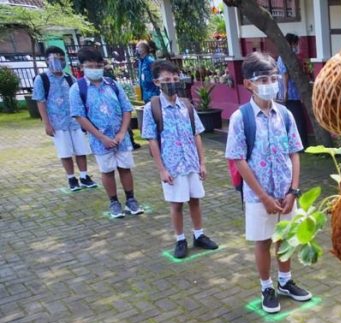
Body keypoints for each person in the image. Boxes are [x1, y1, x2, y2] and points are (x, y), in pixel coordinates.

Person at [225, 51, 312, 314]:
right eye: (263, 79)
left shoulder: (285, 115)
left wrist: (294, 191)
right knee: (263, 241)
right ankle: (266, 286)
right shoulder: (241, 118)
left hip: (286, 194)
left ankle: (285, 281)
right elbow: (239, 160)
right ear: (248, 84)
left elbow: (294, 153)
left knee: (285, 238)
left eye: (273, 78)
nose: (270, 84)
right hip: (258, 197)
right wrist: (263, 197)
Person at [142, 60, 219, 258]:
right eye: (167, 79)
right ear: (157, 82)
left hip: (191, 162)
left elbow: (196, 135)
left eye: (175, 79)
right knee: (176, 204)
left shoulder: (186, 105)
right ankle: (180, 239)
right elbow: (152, 141)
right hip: (172, 165)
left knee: (195, 200)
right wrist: (162, 169)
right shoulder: (152, 108)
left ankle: (199, 234)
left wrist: (202, 162)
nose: (172, 83)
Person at [70, 45, 144, 219]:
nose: (95, 69)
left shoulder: (112, 84)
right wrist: (101, 137)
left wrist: (121, 133)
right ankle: (114, 202)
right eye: (90, 66)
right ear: (82, 67)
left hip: (121, 137)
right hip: (99, 140)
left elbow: (126, 109)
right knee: (107, 171)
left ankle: (131, 199)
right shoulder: (77, 89)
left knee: (125, 168)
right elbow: (79, 116)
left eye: (98, 65)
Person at [32, 46, 97, 192]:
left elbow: (78, 98)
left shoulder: (69, 78)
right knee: (65, 152)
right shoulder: (41, 79)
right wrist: (47, 123)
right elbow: (40, 101)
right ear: (47, 61)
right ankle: (71, 178)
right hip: (57, 123)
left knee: (81, 150)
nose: (58, 62)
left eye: (61, 59)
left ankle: (84, 176)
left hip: (74, 121)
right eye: (54, 59)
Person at [276, 33, 308, 148]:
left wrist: (285, 91)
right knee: (297, 118)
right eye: (295, 43)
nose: (297, 46)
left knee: (296, 118)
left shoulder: (287, 56)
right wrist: (285, 91)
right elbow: (285, 75)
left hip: (292, 93)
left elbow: (285, 74)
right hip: (291, 93)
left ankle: (300, 143)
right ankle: (300, 143)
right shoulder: (287, 56)